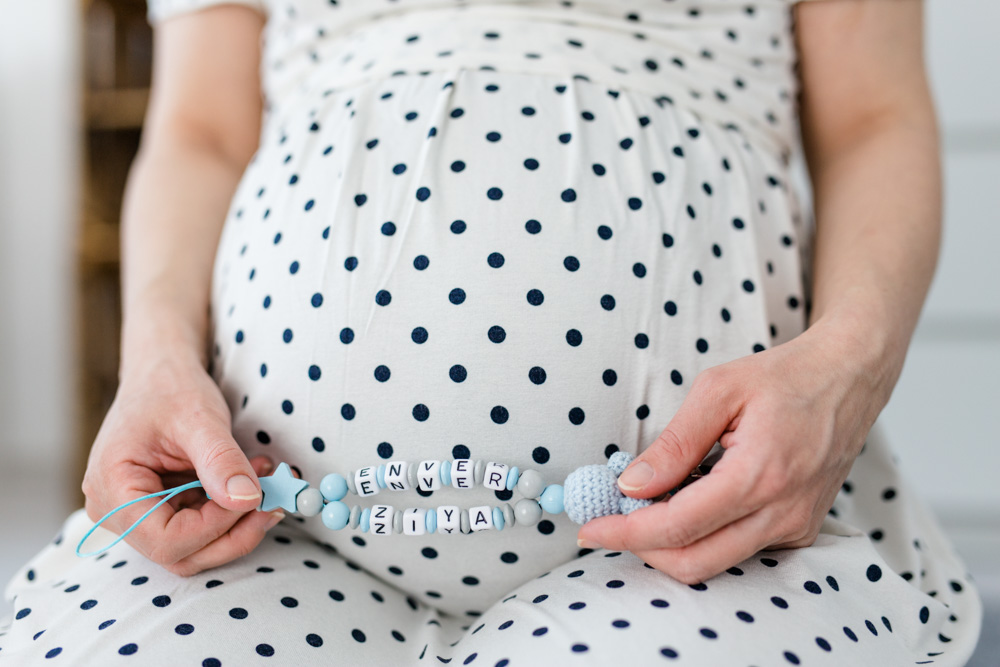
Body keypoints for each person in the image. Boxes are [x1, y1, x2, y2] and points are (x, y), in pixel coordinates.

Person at [0, 0, 983, 664]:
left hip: (711, 543)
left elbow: (873, 116)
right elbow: (201, 131)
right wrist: (156, 359)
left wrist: (845, 366)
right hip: (263, 531)